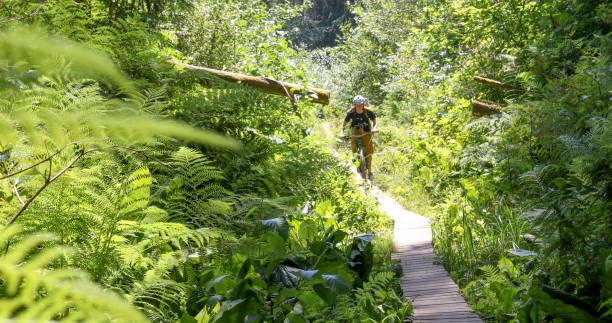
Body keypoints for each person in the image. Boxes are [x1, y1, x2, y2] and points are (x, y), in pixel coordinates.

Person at [339, 95, 378, 178]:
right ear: (354, 105)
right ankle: (357, 159)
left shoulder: (368, 111)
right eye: (357, 105)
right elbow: (344, 124)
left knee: (369, 151)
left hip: (366, 130)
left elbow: (375, 121)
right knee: (353, 145)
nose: (359, 107)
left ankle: (370, 171)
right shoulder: (351, 113)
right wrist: (341, 132)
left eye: (361, 105)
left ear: (363, 104)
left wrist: (375, 128)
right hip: (355, 130)